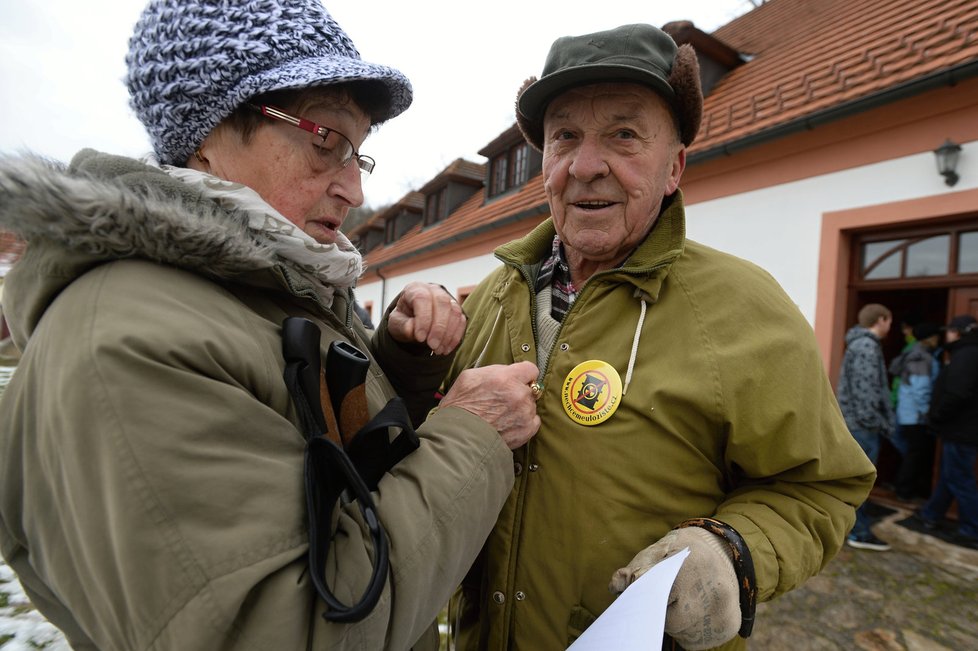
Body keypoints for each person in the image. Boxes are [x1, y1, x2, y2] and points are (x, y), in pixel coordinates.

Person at [0, 1, 541, 649]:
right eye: (326, 142)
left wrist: (396, 360)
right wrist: (473, 437)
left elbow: (323, 472)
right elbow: (292, 629)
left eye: (358, 156)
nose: (354, 190)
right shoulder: (124, 343)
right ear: (207, 137)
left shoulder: (255, 292)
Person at [441, 23, 876, 651]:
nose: (586, 166)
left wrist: (733, 553)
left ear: (673, 168)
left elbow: (821, 488)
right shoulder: (492, 295)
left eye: (623, 134)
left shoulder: (746, 309)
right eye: (565, 136)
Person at [836, 303, 896, 551]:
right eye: (889, 321)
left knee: (854, 482)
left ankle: (851, 528)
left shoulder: (861, 345)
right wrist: (879, 423)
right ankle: (858, 533)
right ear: (881, 320)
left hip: (860, 424)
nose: (890, 326)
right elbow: (865, 394)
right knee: (859, 483)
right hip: (863, 427)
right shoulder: (866, 347)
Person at [916, 314, 978, 550]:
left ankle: (972, 529)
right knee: (950, 474)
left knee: (960, 478)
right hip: (962, 428)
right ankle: (931, 514)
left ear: (959, 332)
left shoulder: (967, 354)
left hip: (961, 429)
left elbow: (957, 393)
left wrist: (936, 416)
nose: (946, 334)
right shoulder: (966, 352)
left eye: (950, 330)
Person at [892, 321, 941, 502]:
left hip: (908, 413)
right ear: (930, 338)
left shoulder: (917, 354)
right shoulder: (921, 357)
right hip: (914, 415)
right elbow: (920, 390)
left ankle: (904, 488)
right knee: (915, 455)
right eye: (936, 336)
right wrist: (927, 412)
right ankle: (904, 491)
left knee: (913, 453)